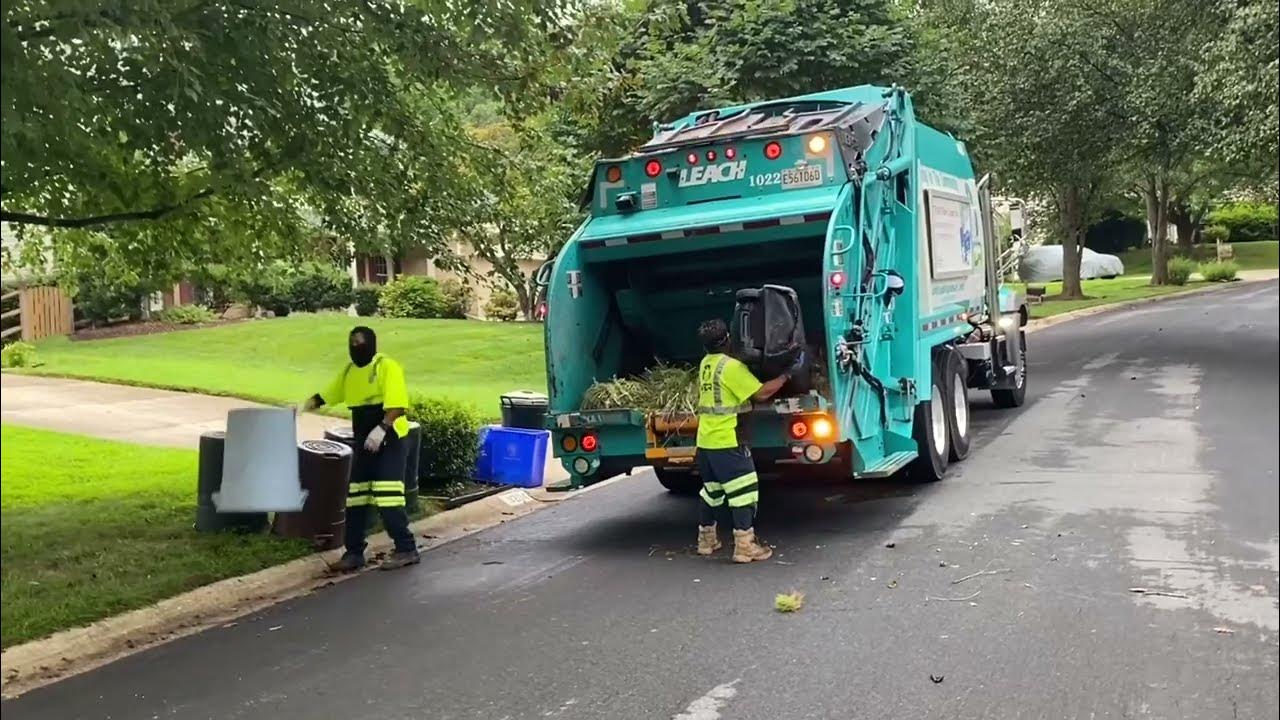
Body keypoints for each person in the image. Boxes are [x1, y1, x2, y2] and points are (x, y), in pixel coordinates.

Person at [301, 326, 420, 571]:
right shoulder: (349, 372)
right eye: (353, 344)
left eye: (361, 343)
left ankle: (406, 549)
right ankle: (353, 553)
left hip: (390, 438)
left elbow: (398, 405)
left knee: (388, 496)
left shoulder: (386, 367)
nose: (357, 348)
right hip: (363, 439)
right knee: (356, 497)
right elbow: (327, 395)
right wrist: (302, 406)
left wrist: (382, 428)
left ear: (372, 345)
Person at [693, 318, 801, 563]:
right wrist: (787, 375)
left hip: (706, 441)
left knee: (712, 491)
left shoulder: (706, 364)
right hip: (727, 440)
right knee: (744, 492)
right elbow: (761, 393)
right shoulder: (731, 367)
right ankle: (745, 546)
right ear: (728, 340)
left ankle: (706, 540)